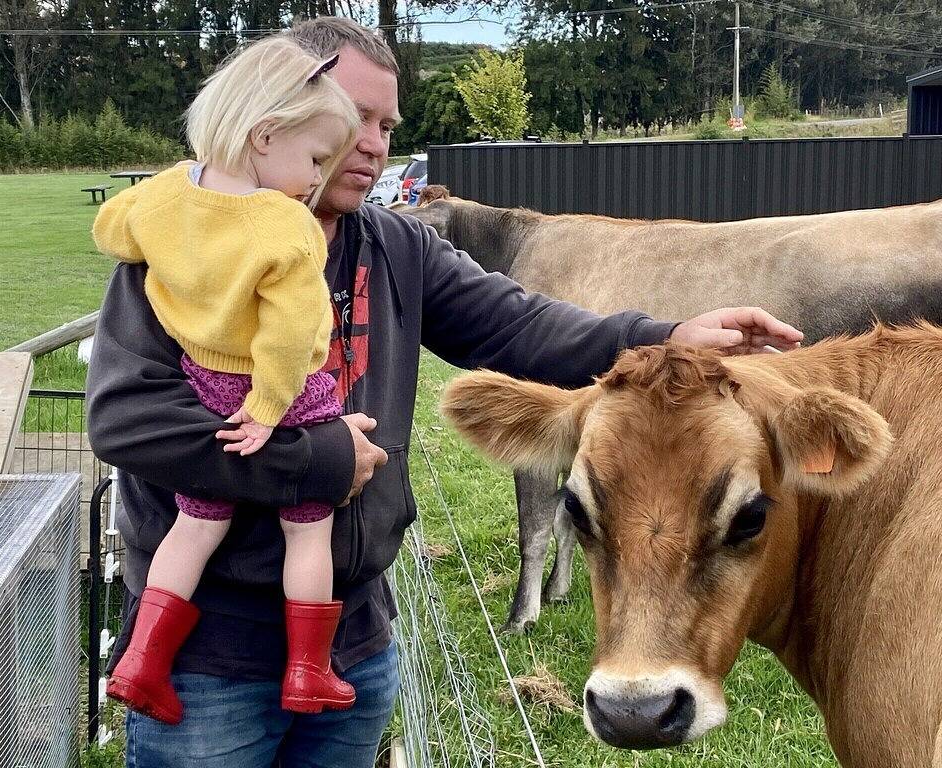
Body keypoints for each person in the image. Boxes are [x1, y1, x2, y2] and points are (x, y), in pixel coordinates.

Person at [86, 16, 803, 768]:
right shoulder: (179, 255)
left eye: (387, 124)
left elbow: (520, 327)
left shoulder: (395, 246)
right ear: (275, 118)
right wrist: (318, 462)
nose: (372, 142)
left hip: (354, 644)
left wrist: (668, 336)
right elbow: (127, 422)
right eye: (355, 115)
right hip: (211, 659)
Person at [91, 38, 362, 725]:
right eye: (314, 158)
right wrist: (272, 410)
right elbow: (295, 333)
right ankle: (309, 671)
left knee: (194, 525)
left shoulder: (163, 194)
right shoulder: (285, 225)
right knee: (309, 529)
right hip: (278, 393)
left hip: (202, 385)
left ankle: (143, 663)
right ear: (264, 133)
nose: (315, 178)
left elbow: (110, 231)